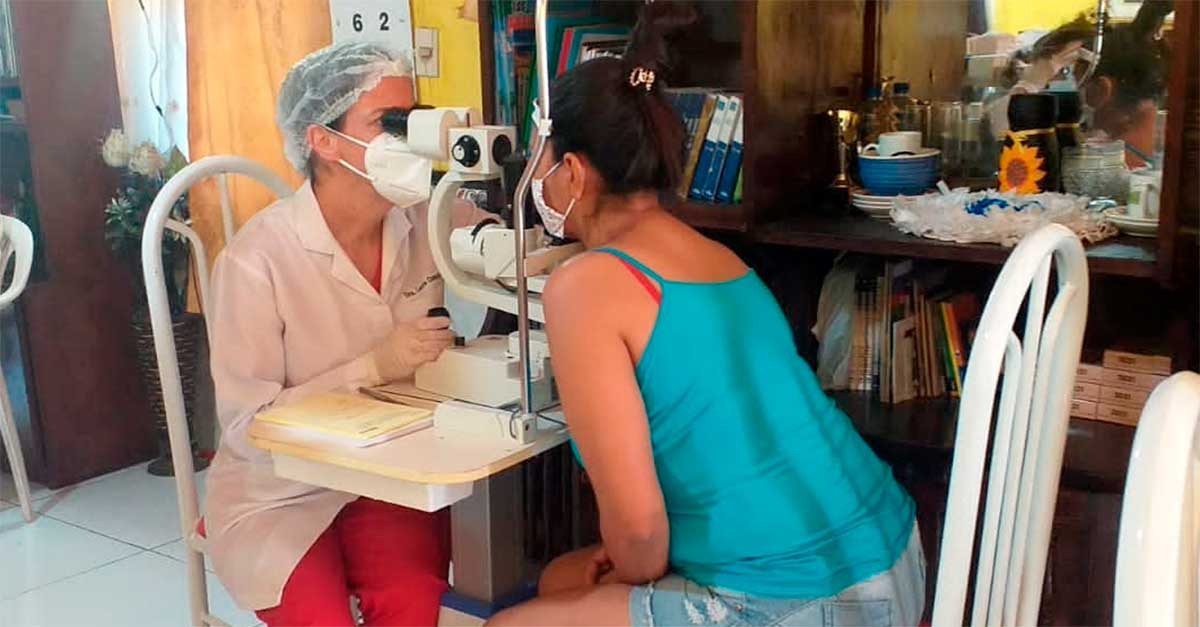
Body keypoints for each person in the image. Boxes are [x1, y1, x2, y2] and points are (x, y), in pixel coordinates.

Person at [488, 4, 924, 627]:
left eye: (543, 160)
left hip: (801, 602)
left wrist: (618, 561)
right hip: (897, 563)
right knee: (560, 580)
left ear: (575, 171)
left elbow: (641, 539)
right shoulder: (721, 259)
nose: (538, 180)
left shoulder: (583, 285)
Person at [204, 41, 481, 626]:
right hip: (278, 491)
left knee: (413, 605)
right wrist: (373, 366)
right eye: (389, 123)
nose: (410, 138)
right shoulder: (255, 262)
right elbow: (247, 430)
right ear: (322, 139)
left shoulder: (424, 216)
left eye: (414, 118)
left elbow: (509, 251)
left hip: (392, 474)